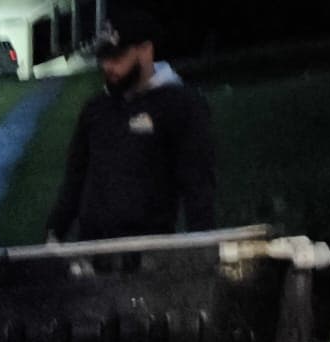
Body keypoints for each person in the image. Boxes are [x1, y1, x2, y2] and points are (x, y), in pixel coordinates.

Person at [45, 8, 217, 242]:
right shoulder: (96, 110)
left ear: (146, 50)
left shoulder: (180, 105)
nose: (108, 66)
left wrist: (201, 245)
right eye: (104, 58)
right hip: (92, 248)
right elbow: (75, 179)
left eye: (117, 57)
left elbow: (197, 184)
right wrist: (55, 232)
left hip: (148, 250)